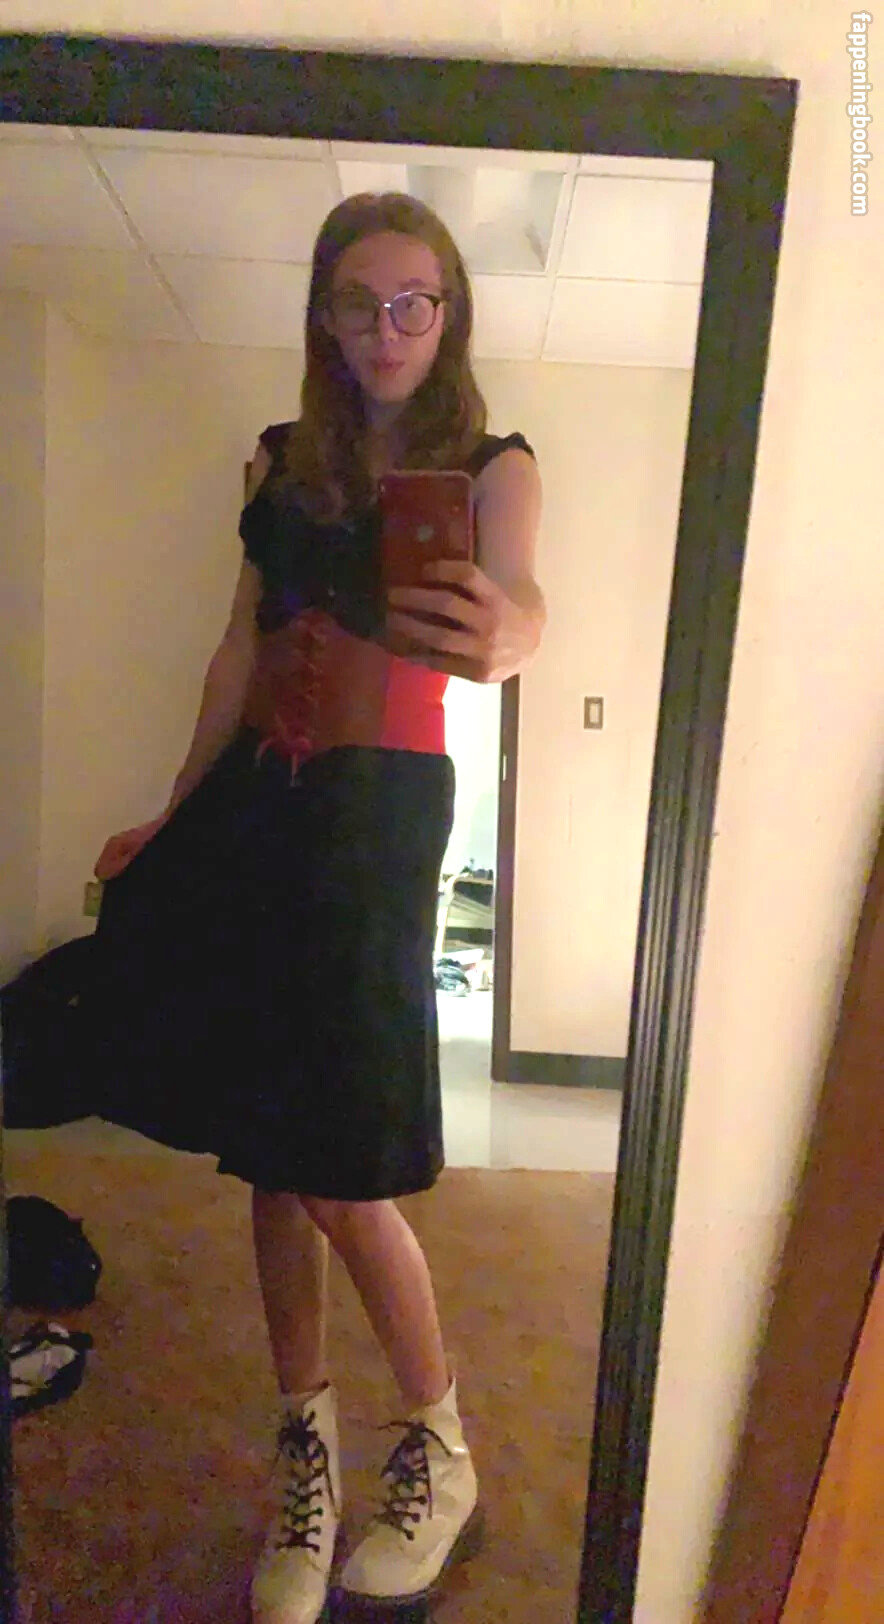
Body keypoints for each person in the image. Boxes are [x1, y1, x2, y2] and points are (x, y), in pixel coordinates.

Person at [91, 191, 544, 1623]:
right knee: (271, 1152)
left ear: (449, 315)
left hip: (379, 811)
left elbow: (521, 605)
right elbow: (238, 648)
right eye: (360, 302)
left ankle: (440, 1445)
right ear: (325, 317)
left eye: (416, 301)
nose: (388, 328)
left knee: (339, 1159)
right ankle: (309, 1448)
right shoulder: (283, 461)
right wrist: (176, 808)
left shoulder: (491, 463)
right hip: (258, 806)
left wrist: (515, 632)